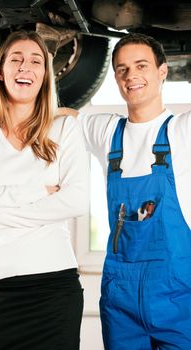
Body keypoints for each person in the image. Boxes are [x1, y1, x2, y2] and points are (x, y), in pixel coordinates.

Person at [0, 30, 89, 350]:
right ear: (0, 72)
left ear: (45, 76)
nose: (24, 67)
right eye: (15, 59)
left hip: (54, 289)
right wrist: (37, 191)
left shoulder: (64, 128)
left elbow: (76, 200)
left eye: (35, 61)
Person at [61, 33, 191, 349]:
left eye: (141, 65)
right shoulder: (106, 131)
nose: (131, 75)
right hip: (121, 300)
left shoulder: (183, 130)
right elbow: (62, 117)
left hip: (178, 298)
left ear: (163, 71)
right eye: (122, 69)